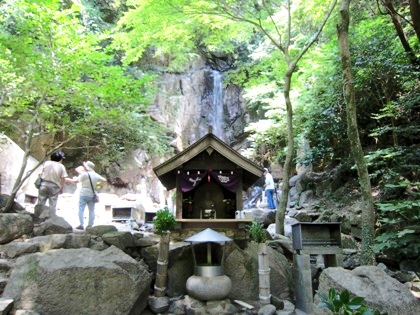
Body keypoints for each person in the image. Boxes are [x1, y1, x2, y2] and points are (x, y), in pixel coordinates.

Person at [67, 161, 106, 230]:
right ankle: (90, 225)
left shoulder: (84, 174)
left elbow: (76, 181)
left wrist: (68, 180)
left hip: (83, 193)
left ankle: (81, 224)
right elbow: (105, 180)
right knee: (91, 210)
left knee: (81, 209)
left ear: (86, 167)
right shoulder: (95, 174)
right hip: (92, 193)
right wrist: (97, 185)